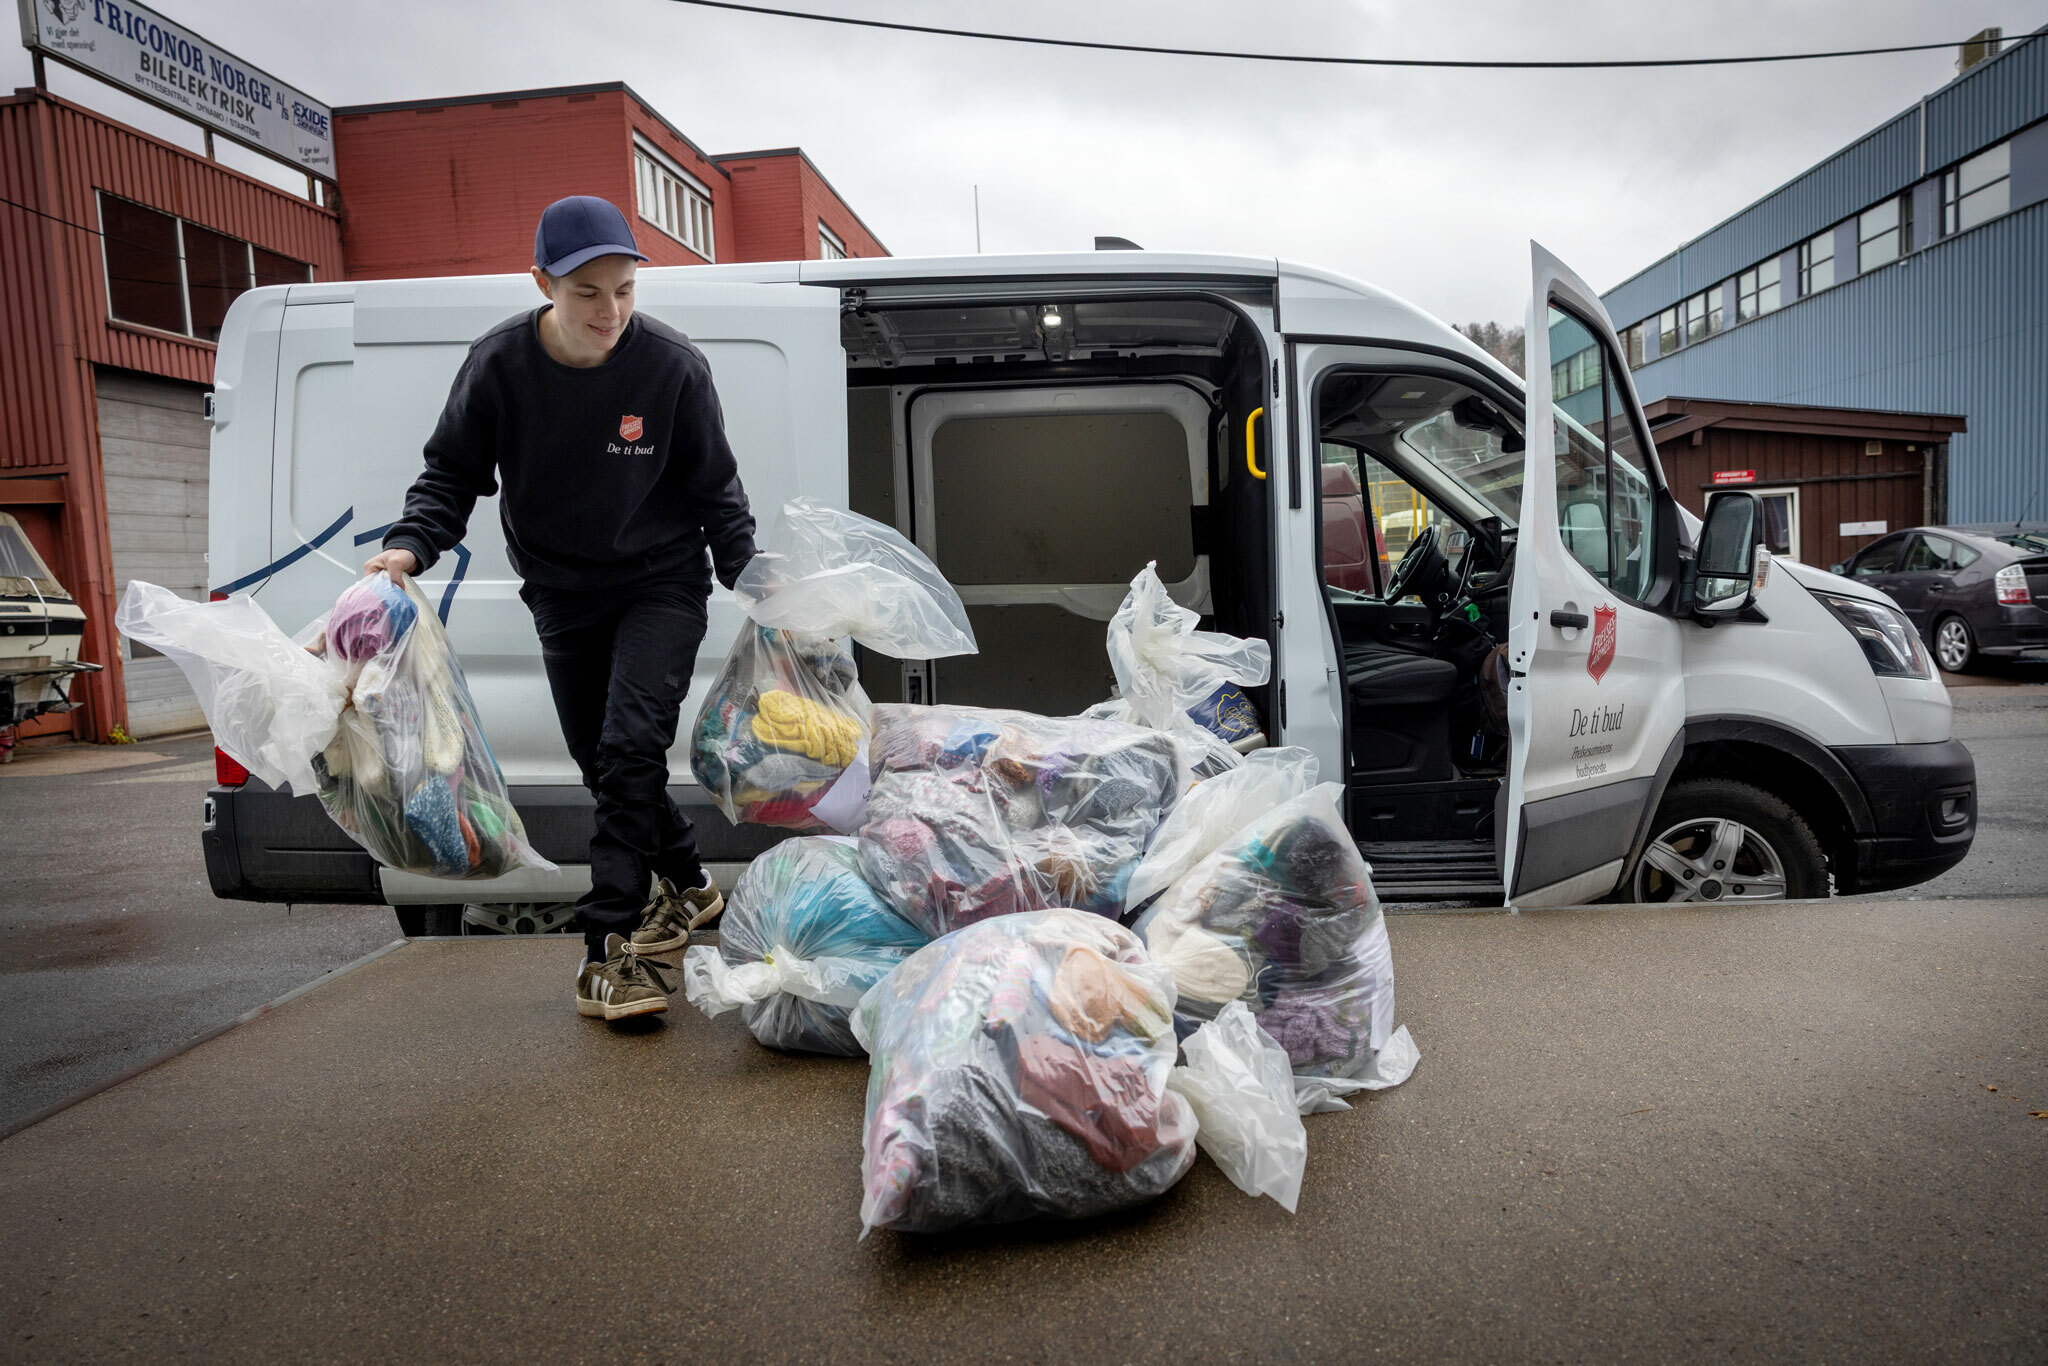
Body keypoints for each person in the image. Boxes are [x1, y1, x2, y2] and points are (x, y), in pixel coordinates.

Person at [365, 194, 756, 1022]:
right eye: (587, 293)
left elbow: (717, 492)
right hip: (561, 592)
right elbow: (450, 475)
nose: (610, 311)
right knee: (601, 764)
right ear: (543, 283)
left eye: (624, 290)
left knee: (630, 747)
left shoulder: (673, 367)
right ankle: (690, 883)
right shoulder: (500, 364)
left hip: (662, 583)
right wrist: (408, 547)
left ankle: (607, 948)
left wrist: (752, 577)